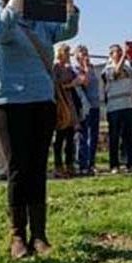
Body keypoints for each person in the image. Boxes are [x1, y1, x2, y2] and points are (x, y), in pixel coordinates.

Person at [0, 0, 78, 259]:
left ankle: (39, 235)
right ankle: (17, 236)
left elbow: (70, 27)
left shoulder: (44, 26)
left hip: (41, 102)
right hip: (8, 103)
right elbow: (1, 32)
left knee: (37, 169)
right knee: (17, 169)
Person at [103, 43, 132, 173]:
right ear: (111, 55)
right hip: (114, 108)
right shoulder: (107, 69)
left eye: (120, 51)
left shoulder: (128, 68)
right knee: (114, 137)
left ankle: (131, 162)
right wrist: (124, 55)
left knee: (129, 136)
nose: (118, 53)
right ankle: (114, 165)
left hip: (128, 105)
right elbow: (116, 73)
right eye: (116, 51)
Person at [53, 43, 82, 178]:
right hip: (61, 103)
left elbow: (79, 78)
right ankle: (58, 166)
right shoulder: (56, 67)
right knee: (59, 138)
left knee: (70, 138)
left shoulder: (69, 68)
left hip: (70, 103)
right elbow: (57, 83)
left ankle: (69, 164)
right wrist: (70, 83)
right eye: (66, 52)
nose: (67, 55)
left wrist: (75, 81)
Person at [73, 45, 100, 175]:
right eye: (82, 54)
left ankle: (91, 163)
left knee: (93, 136)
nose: (85, 56)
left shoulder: (92, 68)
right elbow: (86, 82)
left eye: (86, 53)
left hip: (95, 105)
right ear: (76, 56)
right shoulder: (76, 69)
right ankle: (82, 164)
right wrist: (84, 66)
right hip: (84, 107)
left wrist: (88, 67)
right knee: (84, 135)